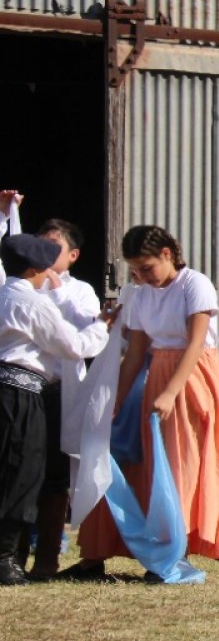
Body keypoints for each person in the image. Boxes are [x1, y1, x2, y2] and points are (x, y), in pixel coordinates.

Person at [69, 226, 219, 580]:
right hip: (157, 374)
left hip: (193, 376)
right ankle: (124, 550)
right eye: (134, 270)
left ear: (167, 255)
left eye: (146, 268)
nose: (141, 277)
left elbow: (195, 344)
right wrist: (116, 401)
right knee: (145, 465)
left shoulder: (195, 284)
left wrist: (171, 391)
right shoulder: (141, 294)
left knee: (182, 465)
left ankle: (173, 554)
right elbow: (135, 353)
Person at [0, 234, 111, 585]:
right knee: (23, 471)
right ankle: (5, 558)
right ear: (35, 269)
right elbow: (72, 345)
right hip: (20, 391)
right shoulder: (30, 302)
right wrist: (103, 326)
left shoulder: (5, 293)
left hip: (8, 387)